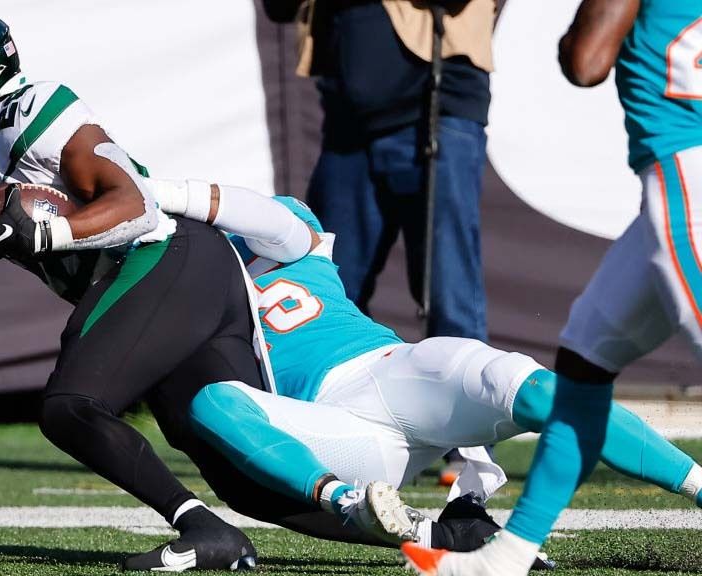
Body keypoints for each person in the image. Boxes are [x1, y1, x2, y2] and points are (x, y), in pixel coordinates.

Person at [0, 6, 321, 571]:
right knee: (240, 470)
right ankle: (425, 528)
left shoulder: (28, 113)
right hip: (138, 286)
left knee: (71, 405)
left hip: (169, 257)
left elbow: (136, 203)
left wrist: (48, 231)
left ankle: (203, 527)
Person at [182, 196, 702, 557]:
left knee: (546, 392)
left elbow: (277, 214)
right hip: (340, 423)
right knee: (213, 403)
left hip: (399, 372)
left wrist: (177, 199)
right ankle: (352, 504)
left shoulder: (290, 237)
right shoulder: (194, 280)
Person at [401, 0, 702, 574]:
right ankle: (507, 556)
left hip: (686, 166)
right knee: (584, 362)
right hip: (676, 171)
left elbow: (586, 61)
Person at [264, 0, 497, 487]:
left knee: (447, 286)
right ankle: (317, 435)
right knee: (323, 285)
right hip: (348, 120)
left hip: (434, 107)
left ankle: (470, 450)